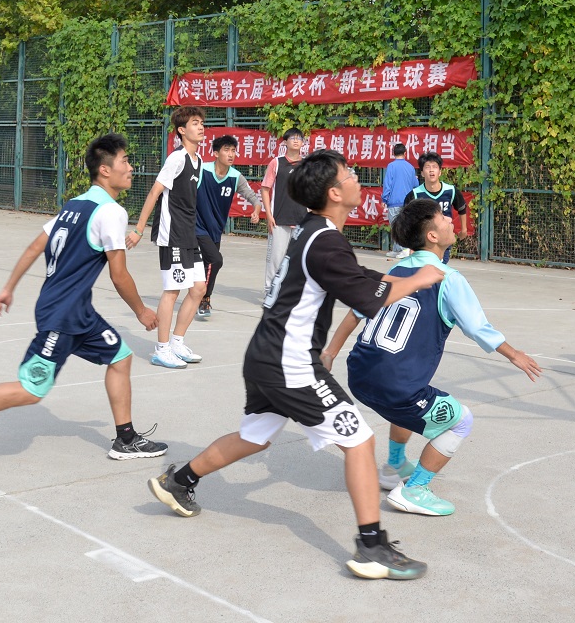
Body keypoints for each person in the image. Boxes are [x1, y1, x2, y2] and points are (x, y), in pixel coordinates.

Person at [147, 149, 445, 581]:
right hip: (290, 362)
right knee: (359, 441)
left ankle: (179, 481)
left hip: (265, 356)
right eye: (349, 174)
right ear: (334, 193)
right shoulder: (325, 240)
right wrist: (419, 278)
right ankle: (371, 547)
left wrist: (399, 277)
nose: (356, 178)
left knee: (254, 437)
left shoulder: (315, 231)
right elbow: (367, 298)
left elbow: (358, 276)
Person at [0, 133, 166, 464]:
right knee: (31, 390)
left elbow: (36, 246)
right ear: (105, 170)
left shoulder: (76, 205)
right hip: (62, 315)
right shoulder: (111, 212)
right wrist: (141, 310)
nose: (131, 167)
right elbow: (118, 274)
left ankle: (126, 439)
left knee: (120, 357)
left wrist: (9, 287)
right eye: (125, 161)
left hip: (76, 311)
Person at [322, 198, 541, 517]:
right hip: (397, 385)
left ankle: (394, 466)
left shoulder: (396, 270)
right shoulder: (447, 278)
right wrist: (513, 354)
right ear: (432, 236)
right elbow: (477, 327)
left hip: (359, 376)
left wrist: (330, 352)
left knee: (409, 406)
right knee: (461, 421)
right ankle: (414, 489)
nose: (451, 220)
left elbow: (356, 312)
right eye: (443, 218)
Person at [128, 106, 208, 368]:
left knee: (198, 288)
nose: (200, 126)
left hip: (189, 234)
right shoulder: (177, 159)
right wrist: (139, 230)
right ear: (181, 130)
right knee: (172, 291)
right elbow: (155, 192)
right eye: (194, 123)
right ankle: (161, 350)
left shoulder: (198, 161)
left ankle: (176, 343)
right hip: (172, 235)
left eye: (201, 122)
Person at [193, 134, 263, 320]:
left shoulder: (235, 177)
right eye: (226, 150)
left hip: (216, 229)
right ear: (216, 153)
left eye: (233, 150)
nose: (231, 154)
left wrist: (256, 211)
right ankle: (204, 298)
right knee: (216, 260)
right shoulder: (202, 170)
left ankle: (199, 296)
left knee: (208, 265)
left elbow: (254, 198)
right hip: (197, 226)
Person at [403, 152, 470, 264]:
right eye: (427, 167)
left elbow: (462, 208)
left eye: (434, 167)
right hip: (423, 241)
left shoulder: (451, 191)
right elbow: (407, 220)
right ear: (422, 173)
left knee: (438, 267)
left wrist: (464, 230)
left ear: (440, 172)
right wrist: (412, 244)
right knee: (425, 269)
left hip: (443, 239)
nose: (431, 170)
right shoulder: (415, 194)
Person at [260, 128, 306, 290]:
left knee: (299, 259)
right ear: (285, 142)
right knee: (276, 259)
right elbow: (265, 189)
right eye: (292, 138)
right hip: (279, 219)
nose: (296, 140)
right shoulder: (276, 163)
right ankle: (270, 291)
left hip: (301, 220)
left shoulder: (307, 165)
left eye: (299, 138)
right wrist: (269, 215)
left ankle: (292, 293)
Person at [382, 142, 418, 257]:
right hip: (407, 202)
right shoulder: (410, 167)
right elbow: (415, 184)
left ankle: (404, 248)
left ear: (393, 153)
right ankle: (397, 249)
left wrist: (384, 199)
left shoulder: (391, 166)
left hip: (394, 201)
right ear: (405, 153)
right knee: (403, 225)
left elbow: (387, 184)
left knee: (395, 226)